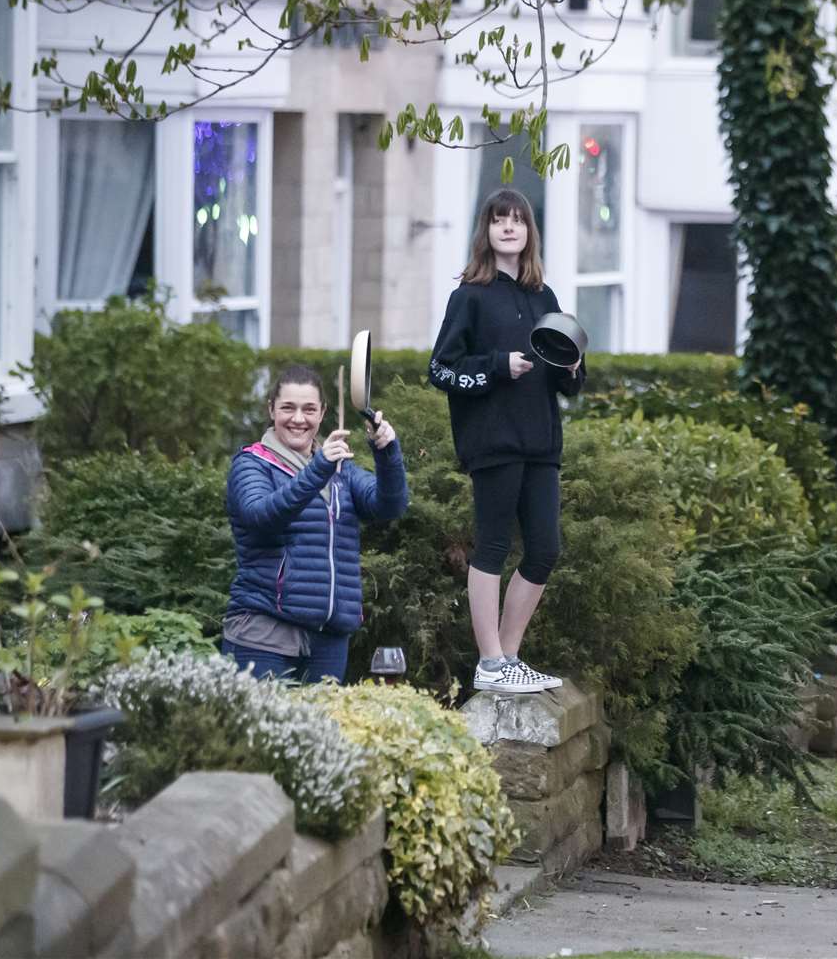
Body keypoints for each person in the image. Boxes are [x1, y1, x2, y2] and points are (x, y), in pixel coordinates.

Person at [429, 188, 586, 694]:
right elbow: (440, 369)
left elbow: (566, 380)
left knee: (544, 549)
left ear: (529, 232)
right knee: (493, 545)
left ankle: (509, 656)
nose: (510, 228)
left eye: (518, 220)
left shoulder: (545, 298)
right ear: (487, 231)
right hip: (493, 443)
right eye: (500, 220)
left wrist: (575, 368)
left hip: (542, 444)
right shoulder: (468, 297)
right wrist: (498, 366)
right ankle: (490, 661)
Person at [223, 365, 409, 684]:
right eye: (288, 408)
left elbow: (389, 506)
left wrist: (387, 452)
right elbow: (261, 517)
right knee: (265, 734)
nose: (299, 419)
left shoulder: (341, 470)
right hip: (264, 633)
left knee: (322, 733)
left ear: (322, 413)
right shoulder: (251, 464)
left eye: (309, 409)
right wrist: (318, 469)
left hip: (330, 639)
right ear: (271, 410)